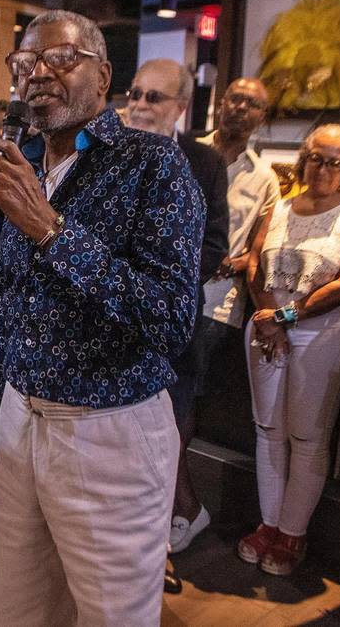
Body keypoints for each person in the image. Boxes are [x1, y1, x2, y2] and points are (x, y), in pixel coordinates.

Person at [0, 9, 204, 626]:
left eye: (59, 59)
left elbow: (168, 318)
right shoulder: (22, 159)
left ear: (103, 75)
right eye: (25, 63)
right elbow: (12, 294)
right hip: (21, 417)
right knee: (18, 610)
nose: (38, 75)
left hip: (107, 430)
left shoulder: (152, 165)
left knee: (113, 616)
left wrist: (51, 231)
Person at [239, 124, 340, 576]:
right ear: (303, 159)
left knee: (308, 437)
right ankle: (268, 524)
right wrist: (268, 317)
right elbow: (255, 264)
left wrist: (287, 317)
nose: (323, 167)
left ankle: (292, 534)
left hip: (325, 332)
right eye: (317, 157)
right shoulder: (278, 207)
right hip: (266, 328)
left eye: (336, 161)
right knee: (268, 430)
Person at [167, 76, 281, 551]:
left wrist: (220, 260)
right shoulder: (186, 153)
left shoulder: (266, 178)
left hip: (218, 303)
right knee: (161, 403)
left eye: (251, 104)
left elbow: (257, 249)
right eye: (233, 98)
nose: (239, 108)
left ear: (261, 118)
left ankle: (182, 507)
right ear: (218, 104)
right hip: (168, 293)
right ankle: (175, 505)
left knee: (180, 405)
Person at [125, 58, 229, 558]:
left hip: (172, 324)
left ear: (181, 107)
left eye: (154, 97)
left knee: (169, 431)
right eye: (136, 94)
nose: (140, 105)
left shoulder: (204, 163)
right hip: (114, 325)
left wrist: (159, 282)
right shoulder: (105, 152)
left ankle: (169, 526)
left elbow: (215, 244)